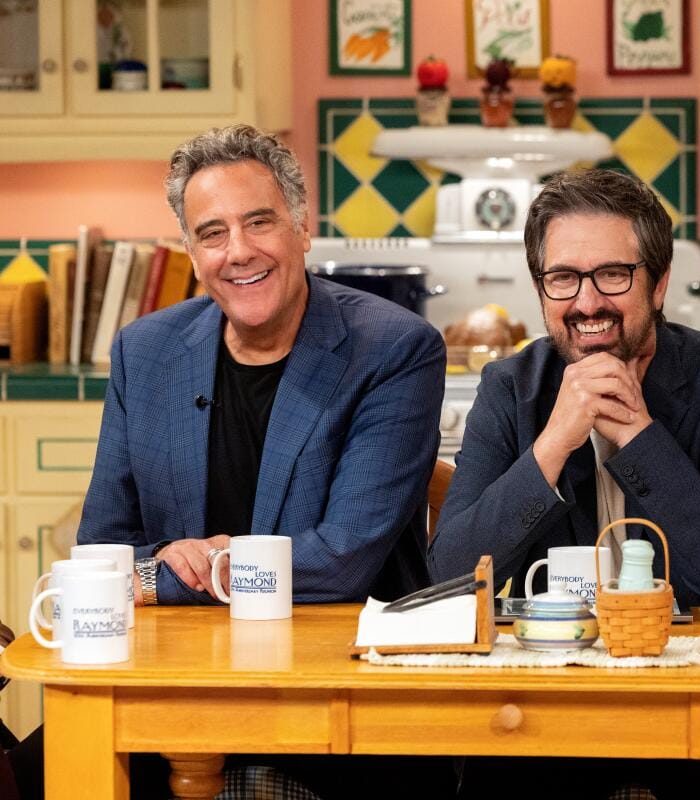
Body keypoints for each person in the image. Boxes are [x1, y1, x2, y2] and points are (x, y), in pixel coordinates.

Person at [76, 124, 445, 608]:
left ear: (303, 228)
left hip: (340, 659)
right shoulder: (144, 352)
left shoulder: (394, 349)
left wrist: (161, 578)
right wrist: (156, 564)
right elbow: (100, 554)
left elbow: (342, 565)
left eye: (259, 222)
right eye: (212, 233)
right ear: (191, 254)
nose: (239, 251)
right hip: (177, 659)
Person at [429, 168, 700, 611]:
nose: (587, 303)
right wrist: (552, 445)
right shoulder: (510, 389)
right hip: (551, 662)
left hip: (699, 666)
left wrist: (639, 437)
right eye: (562, 278)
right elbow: (451, 578)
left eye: (613, 274)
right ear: (541, 290)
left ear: (659, 285)